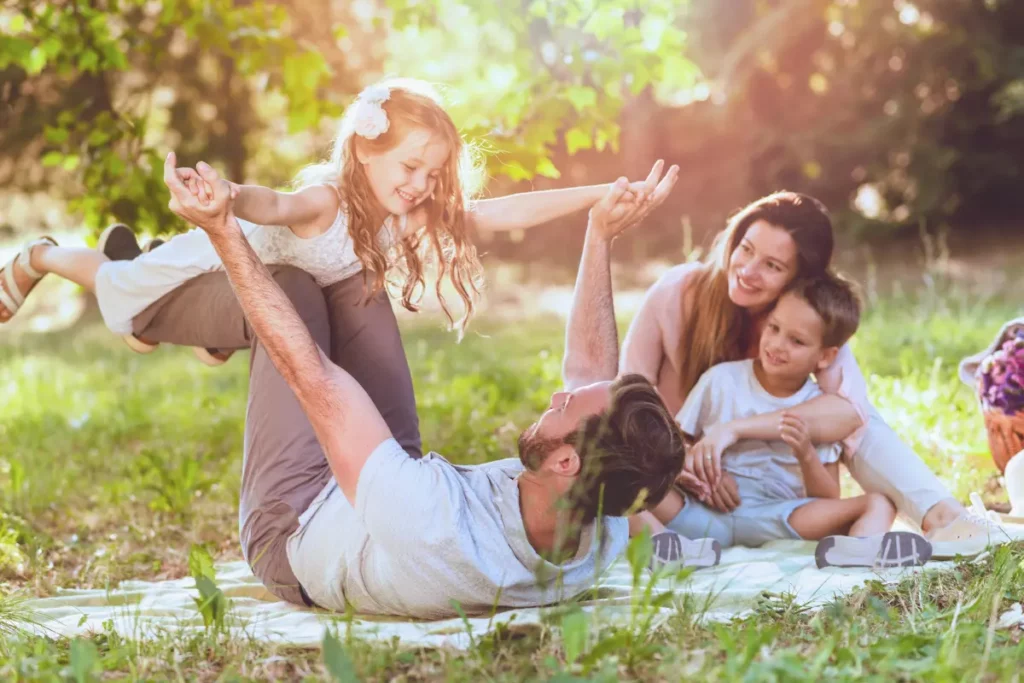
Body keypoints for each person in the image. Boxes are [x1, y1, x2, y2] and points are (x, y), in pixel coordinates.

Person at [156, 153, 702, 617]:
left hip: (296, 520)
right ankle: (216, 316)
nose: (558, 396)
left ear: (566, 463)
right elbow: (592, 373)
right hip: (387, 483)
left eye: (565, 407)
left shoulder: (437, 526)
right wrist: (600, 233)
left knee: (294, 288)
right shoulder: (597, 525)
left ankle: (142, 313)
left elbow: (310, 373)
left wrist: (224, 230)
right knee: (357, 274)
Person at [0, 78, 659, 368]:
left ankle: (210, 333)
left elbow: (500, 213)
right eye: (408, 166)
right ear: (364, 149)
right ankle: (42, 256)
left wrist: (605, 191)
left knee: (219, 329)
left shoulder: (403, 213)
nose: (420, 185)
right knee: (125, 301)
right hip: (208, 262)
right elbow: (275, 205)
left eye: (432, 174)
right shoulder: (328, 200)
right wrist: (228, 193)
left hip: (259, 284)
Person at [620, 191, 1010, 558]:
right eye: (746, 250)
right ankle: (664, 547)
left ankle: (940, 516)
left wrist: (737, 429)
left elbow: (850, 416)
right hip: (682, 477)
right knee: (611, 458)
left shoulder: (805, 322)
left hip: (771, 505)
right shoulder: (679, 291)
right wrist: (690, 460)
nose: (747, 272)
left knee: (863, 421)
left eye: (772, 266)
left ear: (799, 279)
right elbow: (625, 401)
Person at [639, 274, 933, 568]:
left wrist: (805, 452)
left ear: (825, 356)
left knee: (879, 502)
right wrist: (698, 473)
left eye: (796, 341)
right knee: (621, 480)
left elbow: (827, 495)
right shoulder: (721, 380)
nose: (777, 344)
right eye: (774, 328)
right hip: (703, 512)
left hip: (782, 516)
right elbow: (674, 448)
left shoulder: (817, 408)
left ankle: (857, 552)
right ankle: (666, 547)